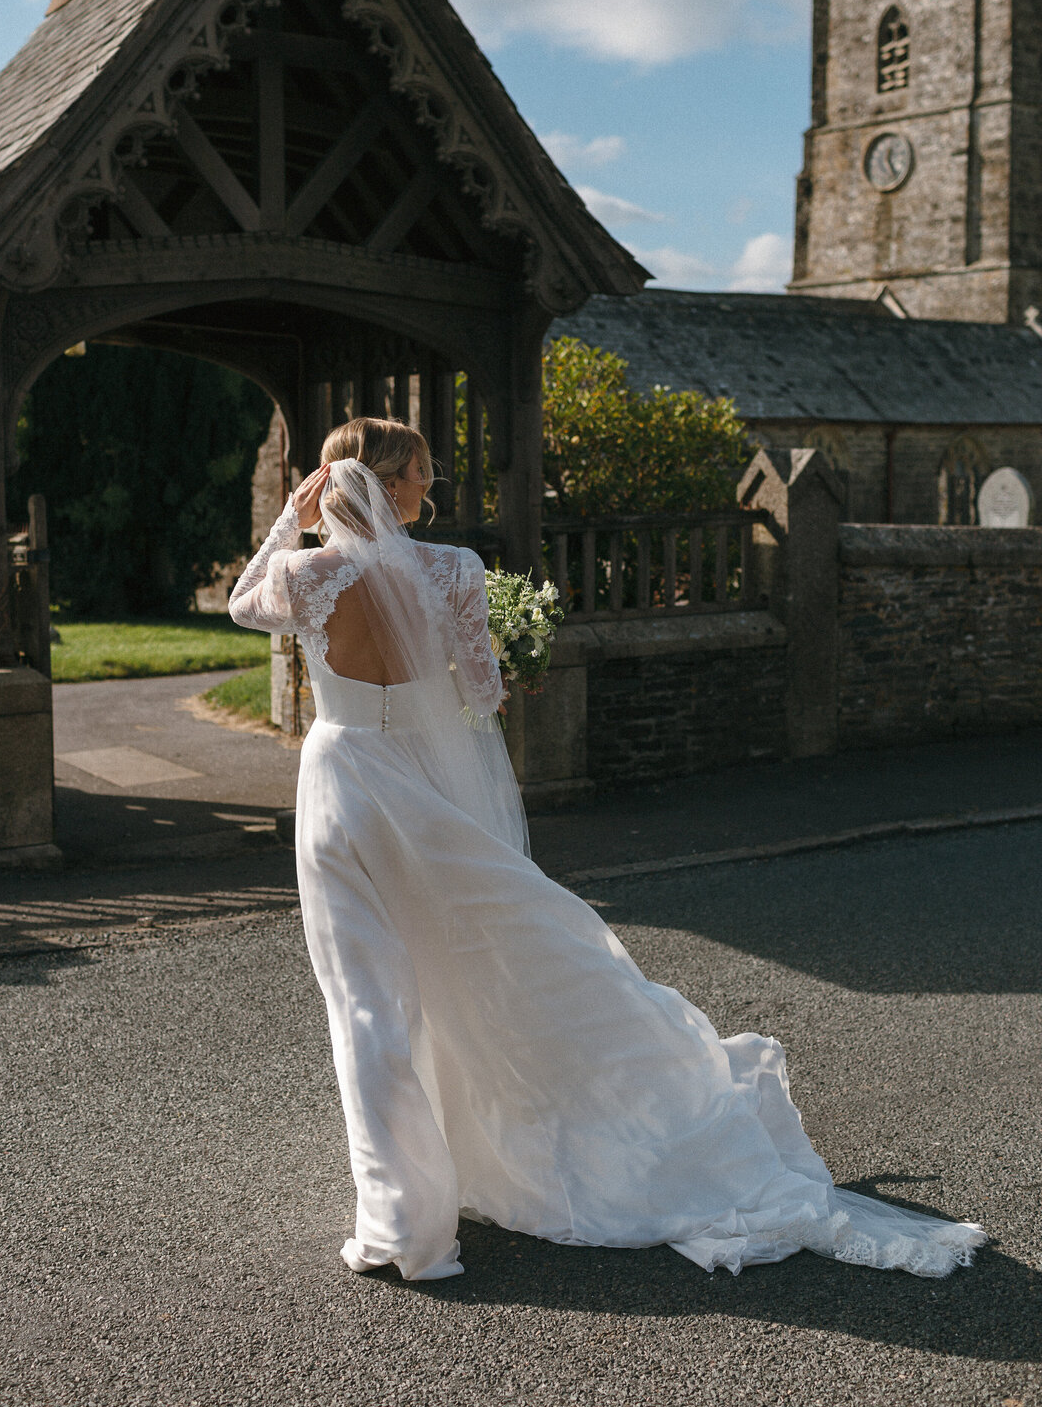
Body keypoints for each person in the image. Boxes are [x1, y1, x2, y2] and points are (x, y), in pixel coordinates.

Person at [229, 416, 985, 1283]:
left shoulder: (303, 574)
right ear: (393, 485)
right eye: (424, 479)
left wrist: (292, 516)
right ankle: (539, 1150)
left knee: (365, 1004)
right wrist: (485, 659)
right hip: (423, 795)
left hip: (340, 782)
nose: (429, 494)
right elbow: (481, 692)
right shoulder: (454, 571)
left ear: (332, 488)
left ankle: (407, 1232)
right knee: (491, 956)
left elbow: (240, 601)